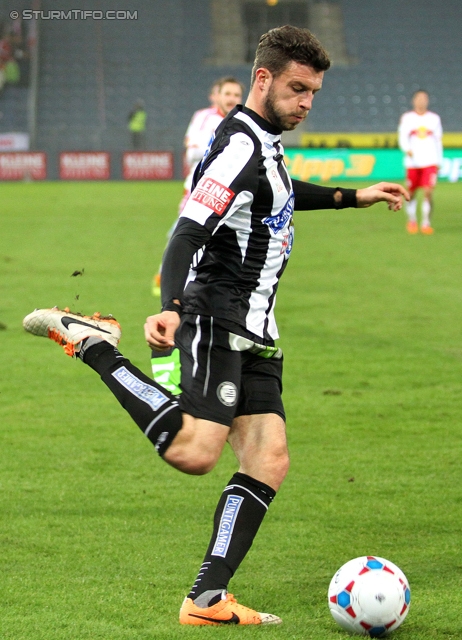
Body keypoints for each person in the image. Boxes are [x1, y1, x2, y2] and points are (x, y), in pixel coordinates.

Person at [23, 25, 409, 627]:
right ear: (263, 79)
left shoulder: (264, 143)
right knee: (197, 451)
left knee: (268, 458)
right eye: (297, 89)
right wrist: (173, 304)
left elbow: (277, 196)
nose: (307, 103)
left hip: (257, 327)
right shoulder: (237, 145)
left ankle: (205, 599)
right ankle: (96, 346)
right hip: (216, 315)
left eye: (314, 93)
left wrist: (349, 197)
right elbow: (188, 230)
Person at [152, 76, 244, 296]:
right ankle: (167, 280)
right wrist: (224, 145)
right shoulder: (205, 118)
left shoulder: (243, 120)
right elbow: (192, 152)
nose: (232, 99)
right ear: (217, 96)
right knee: (185, 236)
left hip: (228, 192)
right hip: (198, 191)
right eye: (227, 94)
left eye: (236, 95)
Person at [398, 90, 443, 234]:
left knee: (428, 192)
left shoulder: (434, 119)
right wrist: (407, 149)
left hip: (430, 160)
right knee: (410, 193)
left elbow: (438, 140)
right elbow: (402, 137)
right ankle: (412, 220)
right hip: (413, 162)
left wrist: (439, 160)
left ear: (427, 101)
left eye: (424, 98)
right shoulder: (407, 118)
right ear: (414, 101)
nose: (421, 101)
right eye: (419, 98)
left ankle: (425, 222)